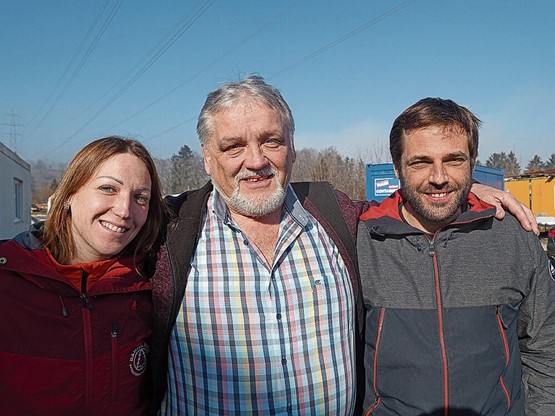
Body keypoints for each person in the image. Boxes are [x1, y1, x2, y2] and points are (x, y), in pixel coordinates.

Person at [150, 76, 537, 416]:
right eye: (233, 146)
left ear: (293, 148)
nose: (256, 160)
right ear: (205, 157)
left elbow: (414, 206)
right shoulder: (168, 233)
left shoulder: (337, 216)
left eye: (271, 141)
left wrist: (468, 189)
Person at [357, 98, 555, 415]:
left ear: (472, 163)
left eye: (454, 160)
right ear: (396, 167)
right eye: (420, 162)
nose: (439, 176)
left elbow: (545, 347)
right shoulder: (363, 240)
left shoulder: (513, 236)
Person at [0, 136, 165, 415]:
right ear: (68, 196)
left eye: (140, 197)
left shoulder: (147, 286)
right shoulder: (9, 280)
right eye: (108, 188)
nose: (124, 210)